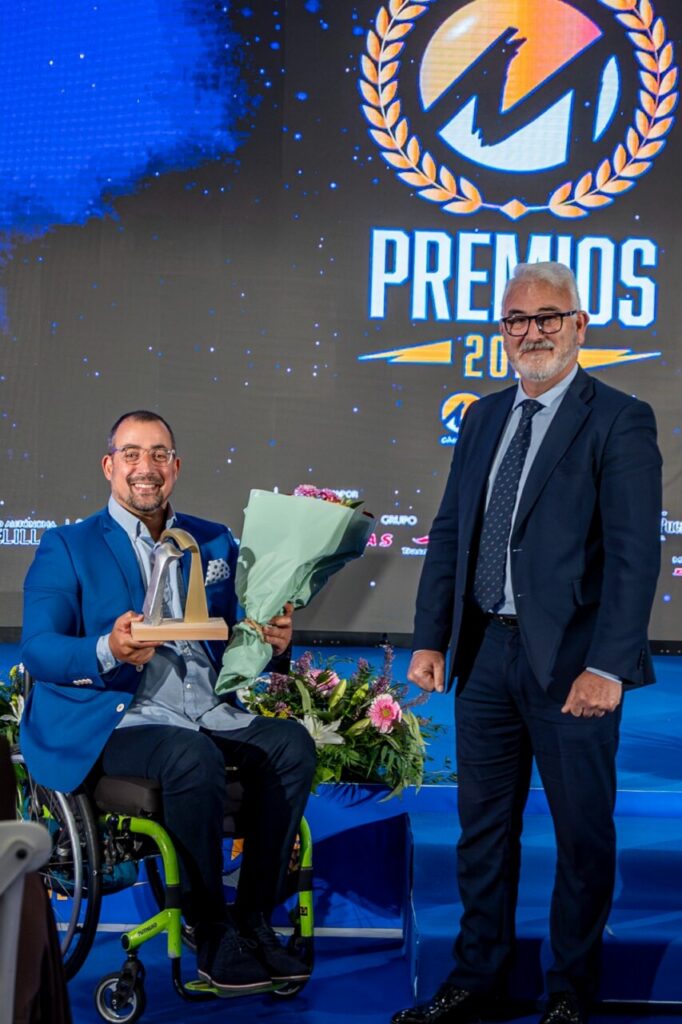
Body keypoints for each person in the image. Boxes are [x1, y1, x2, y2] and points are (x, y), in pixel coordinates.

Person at [392, 262, 662, 1024]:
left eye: (548, 317)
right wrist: (431, 637)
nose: (532, 332)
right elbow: (451, 532)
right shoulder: (482, 417)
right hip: (483, 656)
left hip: (575, 666)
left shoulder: (619, 418)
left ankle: (571, 990)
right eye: (517, 319)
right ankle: (477, 979)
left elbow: (635, 556)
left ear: (579, 325)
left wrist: (608, 666)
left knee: (581, 835)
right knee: (482, 832)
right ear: (502, 332)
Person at [20, 409, 316, 994]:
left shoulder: (213, 539)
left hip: (208, 710)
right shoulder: (69, 546)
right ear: (109, 466)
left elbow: (242, 635)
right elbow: (40, 649)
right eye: (131, 454)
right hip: (118, 721)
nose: (146, 467)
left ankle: (253, 920)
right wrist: (108, 648)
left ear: (175, 467)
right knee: (188, 755)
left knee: (291, 744)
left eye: (159, 454)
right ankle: (211, 930)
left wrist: (274, 641)